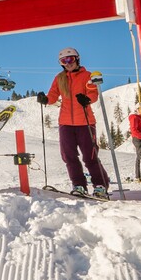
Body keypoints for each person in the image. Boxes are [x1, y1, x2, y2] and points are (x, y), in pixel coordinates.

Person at [36, 47, 111, 199]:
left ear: (77, 59)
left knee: (90, 157)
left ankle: (100, 186)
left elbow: (93, 93)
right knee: (69, 156)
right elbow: (53, 95)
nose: (67, 63)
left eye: (70, 59)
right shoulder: (59, 78)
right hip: (65, 123)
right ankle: (79, 185)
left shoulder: (87, 76)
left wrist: (87, 99)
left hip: (85, 122)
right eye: (63, 61)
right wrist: (46, 99)